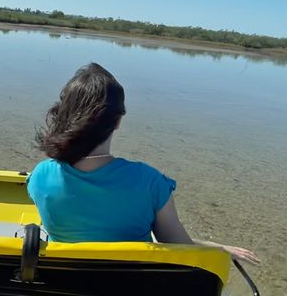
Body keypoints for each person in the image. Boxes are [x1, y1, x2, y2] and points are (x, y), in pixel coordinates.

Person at [27, 63, 259, 265]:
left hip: (69, 286)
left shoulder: (39, 177)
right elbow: (180, 248)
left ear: (65, 116)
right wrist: (218, 248)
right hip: (136, 294)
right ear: (117, 121)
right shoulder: (150, 182)